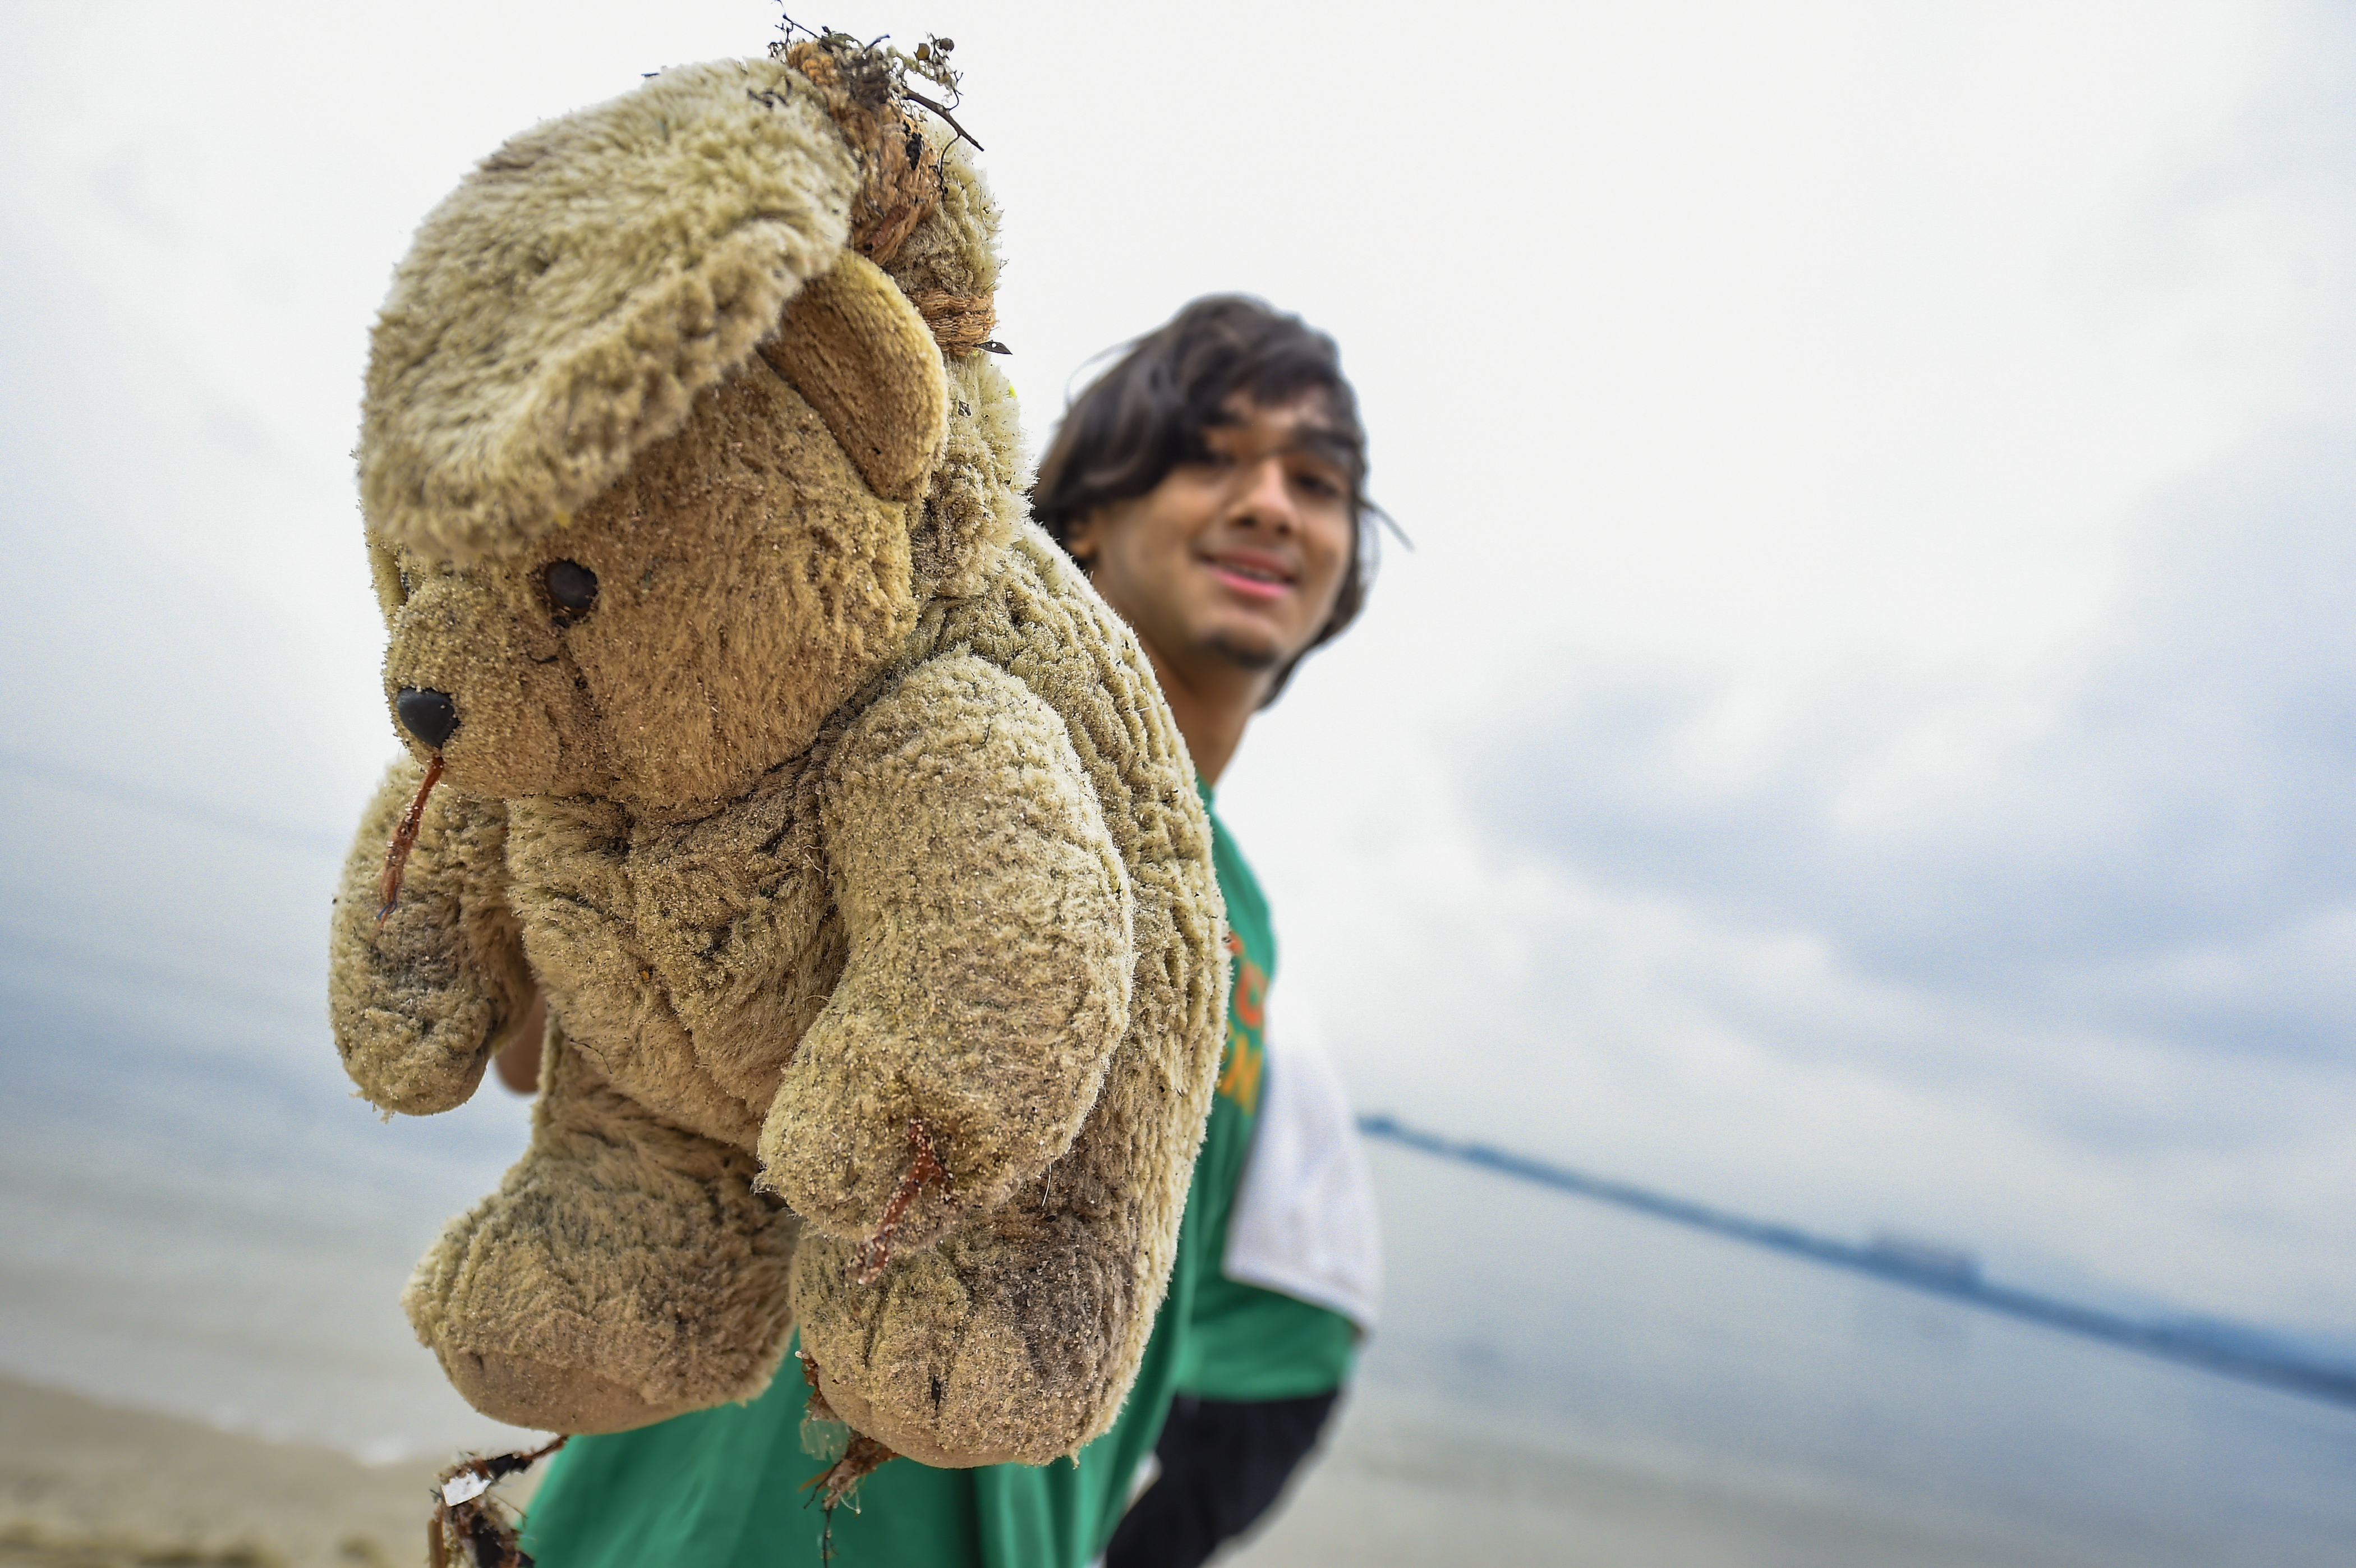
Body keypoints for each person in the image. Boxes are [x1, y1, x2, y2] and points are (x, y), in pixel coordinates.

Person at [506, 293, 1381, 1568]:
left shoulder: (1244, 947)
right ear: (1082, 511)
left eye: (1318, 480)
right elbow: (542, 1046)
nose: (1270, 505)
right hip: (664, 1537)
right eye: (1211, 455)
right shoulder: (874, 737)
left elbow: (1286, 1342)